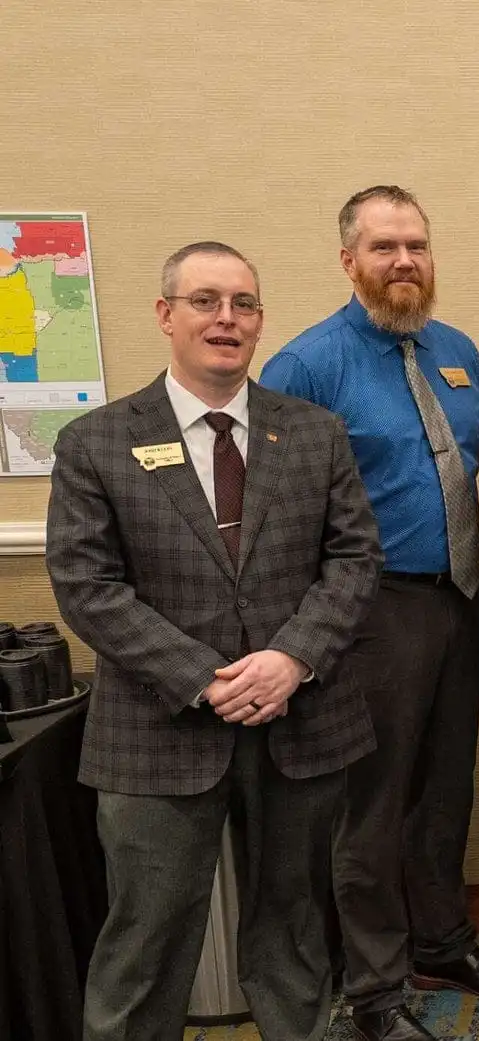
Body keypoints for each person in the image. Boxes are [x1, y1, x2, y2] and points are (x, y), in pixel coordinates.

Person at [46, 242, 383, 1040]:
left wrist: (292, 658)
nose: (225, 319)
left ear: (261, 320)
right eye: (205, 301)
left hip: (300, 725)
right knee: (145, 944)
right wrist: (205, 676)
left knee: (296, 933)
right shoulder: (96, 441)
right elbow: (86, 586)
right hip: (157, 734)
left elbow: (355, 557)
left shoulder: (313, 433)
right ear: (166, 315)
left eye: (243, 304)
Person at [262, 185, 479, 1041]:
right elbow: (281, 511)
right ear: (349, 261)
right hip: (369, 610)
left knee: (447, 784)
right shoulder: (305, 366)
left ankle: (443, 940)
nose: (404, 261)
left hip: (458, 593)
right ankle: (374, 987)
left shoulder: (456, 351)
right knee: (372, 805)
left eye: (415, 244)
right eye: (383, 247)